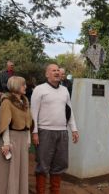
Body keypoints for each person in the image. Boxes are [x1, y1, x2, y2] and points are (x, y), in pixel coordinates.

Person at [31, 64, 79, 194]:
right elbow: (33, 113)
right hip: (44, 132)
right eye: (53, 70)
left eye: (58, 70)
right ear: (47, 74)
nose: (57, 72)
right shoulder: (39, 90)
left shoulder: (64, 90)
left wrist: (74, 129)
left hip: (62, 132)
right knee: (42, 165)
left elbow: (69, 111)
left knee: (59, 165)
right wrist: (34, 132)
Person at [0, 76, 32, 194]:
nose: (25, 87)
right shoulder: (7, 102)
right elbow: (4, 124)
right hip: (12, 139)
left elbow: (28, 122)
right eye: (23, 85)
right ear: (15, 86)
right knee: (10, 172)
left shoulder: (25, 101)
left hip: (22, 140)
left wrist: (28, 139)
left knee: (21, 171)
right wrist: (6, 143)